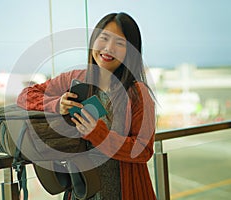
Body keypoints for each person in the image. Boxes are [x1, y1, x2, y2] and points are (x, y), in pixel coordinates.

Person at [17, 12, 156, 200]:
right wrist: (56, 105)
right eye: (104, 38)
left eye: (119, 43)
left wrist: (99, 134)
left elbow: (144, 150)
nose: (108, 48)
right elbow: (25, 95)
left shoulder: (137, 93)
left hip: (121, 193)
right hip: (81, 192)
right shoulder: (75, 78)